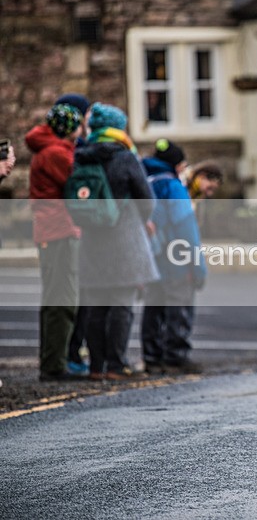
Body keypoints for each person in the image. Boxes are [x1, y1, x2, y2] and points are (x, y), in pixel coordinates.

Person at [76, 103, 159, 381]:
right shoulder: (125, 157)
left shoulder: (82, 156)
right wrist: (141, 219)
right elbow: (146, 199)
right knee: (121, 304)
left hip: (91, 238)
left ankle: (96, 366)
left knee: (95, 306)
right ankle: (115, 364)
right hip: (124, 237)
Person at [25, 104, 85, 381]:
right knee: (63, 298)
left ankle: (52, 360)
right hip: (59, 230)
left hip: (51, 230)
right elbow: (78, 185)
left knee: (55, 296)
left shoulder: (47, 150)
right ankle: (55, 364)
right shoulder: (57, 154)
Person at [140, 139, 206, 374]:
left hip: (150, 255)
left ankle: (152, 356)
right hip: (174, 258)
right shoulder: (173, 187)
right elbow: (186, 229)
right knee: (178, 305)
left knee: (153, 307)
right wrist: (198, 266)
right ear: (177, 165)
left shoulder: (143, 180)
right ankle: (175, 357)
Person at [54, 93, 92, 376]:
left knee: (81, 296)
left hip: (79, 228)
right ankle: (66, 356)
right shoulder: (67, 151)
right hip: (70, 229)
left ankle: (73, 352)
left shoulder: (78, 148)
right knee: (70, 297)